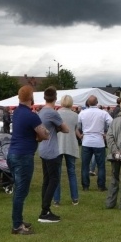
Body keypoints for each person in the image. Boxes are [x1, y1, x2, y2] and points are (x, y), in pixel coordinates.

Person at [8, 85, 49, 235]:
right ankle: (17, 225)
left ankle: (18, 220)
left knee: (18, 189)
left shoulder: (17, 112)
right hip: (23, 156)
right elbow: (44, 134)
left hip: (13, 154)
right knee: (21, 191)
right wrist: (43, 134)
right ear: (31, 98)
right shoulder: (31, 116)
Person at [38, 87, 68, 223]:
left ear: (45, 97)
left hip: (43, 149)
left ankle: (45, 209)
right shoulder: (52, 113)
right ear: (55, 98)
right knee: (54, 180)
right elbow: (66, 129)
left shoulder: (41, 111)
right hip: (51, 151)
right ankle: (45, 210)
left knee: (47, 180)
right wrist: (58, 128)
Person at [77, 95, 112, 192]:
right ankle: (101, 186)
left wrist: (81, 134)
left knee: (85, 165)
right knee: (101, 166)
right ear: (97, 102)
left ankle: (85, 186)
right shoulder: (103, 113)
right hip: (99, 141)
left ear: (88, 103)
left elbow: (78, 125)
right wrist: (107, 133)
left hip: (86, 141)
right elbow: (111, 123)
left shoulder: (82, 113)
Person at [54, 95, 80, 207]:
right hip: (71, 144)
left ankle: (56, 199)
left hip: (58, 144)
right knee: (72, 172)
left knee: (57, 173)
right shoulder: (75, 115)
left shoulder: (56, 114)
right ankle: (75, 198)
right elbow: (76, 129)